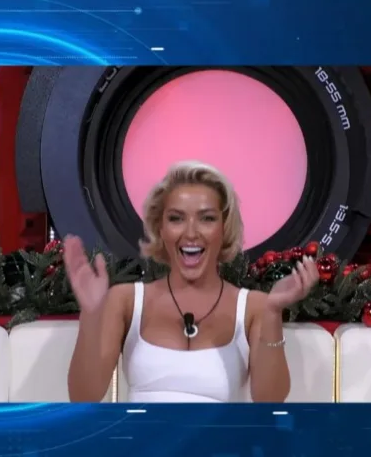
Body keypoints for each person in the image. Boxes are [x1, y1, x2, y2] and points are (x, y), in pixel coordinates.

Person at [65, 160, 317, 403]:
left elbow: (270, 399)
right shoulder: (125, 300)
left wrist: (273, 312)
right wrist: (91, 314)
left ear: (224, 229)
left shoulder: (255, 307)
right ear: (160, 229)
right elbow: (83, 395)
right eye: (176, 218)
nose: (191, 233)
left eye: (207, 218)